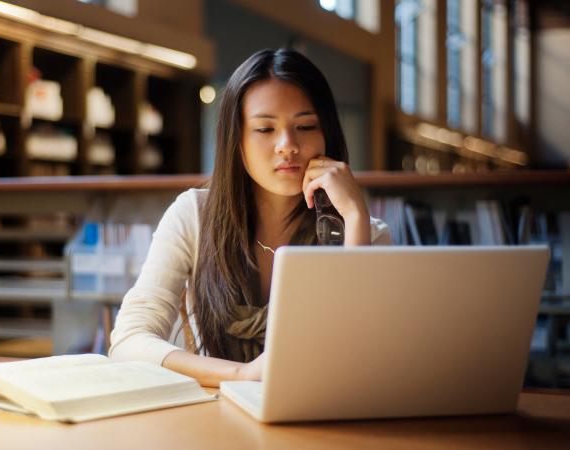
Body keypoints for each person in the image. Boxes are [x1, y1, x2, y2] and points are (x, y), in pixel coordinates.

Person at [109, 48, 391, 387]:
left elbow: (365, 358)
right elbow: (127, 342)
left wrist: (355, 218)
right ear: (236, 140)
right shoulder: (194, 215)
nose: (287, 145)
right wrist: (241, 375)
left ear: (327, 134)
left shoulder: (365, 234)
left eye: (305, 126)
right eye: (265, 129)